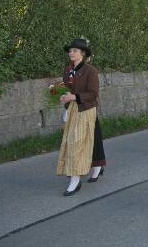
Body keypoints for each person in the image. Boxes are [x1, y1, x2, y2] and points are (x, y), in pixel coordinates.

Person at [56, 38, 106, 196]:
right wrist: (63, 98)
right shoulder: (68, 69)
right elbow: (66, 88)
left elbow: (93, 94)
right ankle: (90, 168)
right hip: (72, 110)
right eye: (70, 51)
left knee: (77, 143)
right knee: (72, 142)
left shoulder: (90, 71)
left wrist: (74, 97)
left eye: (75, 51)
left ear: (83, 54)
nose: (71, 53)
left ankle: (75, 180)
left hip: (85, 110)